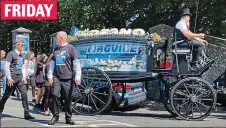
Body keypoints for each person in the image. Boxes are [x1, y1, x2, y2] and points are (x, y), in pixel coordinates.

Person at [47, 31, 81, 125]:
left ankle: (68, 117)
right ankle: (55, 116)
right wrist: (50, 75)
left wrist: (77, 76)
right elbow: (52, 63)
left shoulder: (71, 48)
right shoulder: (56, 49)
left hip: (68, 78)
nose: (56, 39)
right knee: (55, 94)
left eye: (57, 37)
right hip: (57, 77)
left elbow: (76, 63)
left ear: (61, 38)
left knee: (68, 99)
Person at [0, 40, 35, 120]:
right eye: (22, 45)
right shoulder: (11, 54)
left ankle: (27, 113)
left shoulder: (22, 55)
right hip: (12, 78)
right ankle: (0, 109)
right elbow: (6, 66)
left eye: (23, 45)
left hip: (20, 78)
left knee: (24, 94)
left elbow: (22, 66)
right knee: (6, 95)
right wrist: (9, 78)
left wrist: (24, 76)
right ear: (17, 46)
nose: (23, 47)